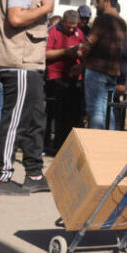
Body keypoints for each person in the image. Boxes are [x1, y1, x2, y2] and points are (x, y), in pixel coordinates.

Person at [0, 0, 55, 194]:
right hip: (18, 63)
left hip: (28, 64)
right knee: (15, 120)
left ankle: (34, 174)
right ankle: (0, 176)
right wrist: (46, 9)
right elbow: (16, 18)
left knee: (34, 120)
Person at [79, 0, 127, 130]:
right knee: (107, 110)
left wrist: (80, 54)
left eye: (98, 1)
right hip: (112, 73)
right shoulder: (122, 22)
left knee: (95, 111)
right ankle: (107, 147)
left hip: (96, 71)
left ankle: (94, 149)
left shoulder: (102, 19)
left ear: (106, 2)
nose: (95, 4)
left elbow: (89, 44)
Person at [45, 10, 84, 150]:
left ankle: (67, 146)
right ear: (62, 21)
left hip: (74, 78)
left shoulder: (79, 32)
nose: (72, 29)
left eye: (74, 26)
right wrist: (65, 51)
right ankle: (53, 145)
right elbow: (46, 53)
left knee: (72, 114)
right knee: (56, 114)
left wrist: (79, 55)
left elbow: (83, 51)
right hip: (56, 77)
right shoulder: (53, 31)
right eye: (68, 26)